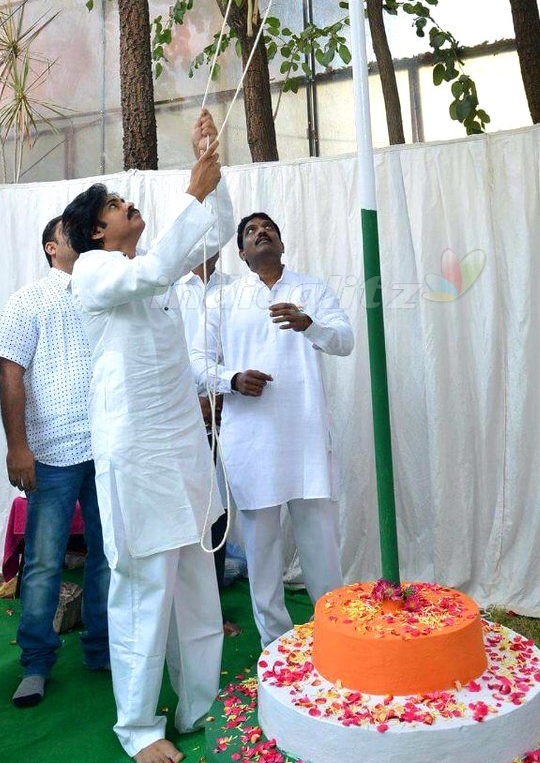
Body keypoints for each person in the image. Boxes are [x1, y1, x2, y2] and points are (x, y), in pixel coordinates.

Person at [62, 109, 234, 763]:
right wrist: (192, 188)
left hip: (183, 457)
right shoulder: (96, 274)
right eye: (115, 203)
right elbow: (159, 265)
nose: (129, 204)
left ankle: (199, 707)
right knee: (143, 594)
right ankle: (138, 730)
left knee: (196, 590)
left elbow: (206, 236)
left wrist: (212, 176)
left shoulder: (153, 278)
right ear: (95, 230)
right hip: (136, 462)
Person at [191, 211, 353, 647]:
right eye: (250, 231)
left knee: (321, 549)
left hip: (306, 439)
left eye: (269, 228)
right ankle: (276, 648)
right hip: (251, 441)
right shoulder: (221, 299)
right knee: (262, 555)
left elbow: (345, 340)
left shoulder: (311, 289)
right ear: (242, 254)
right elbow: (196, 362)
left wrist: (309, 324)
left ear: (281, 243)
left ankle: (336, 640)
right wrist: (232, 380)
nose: (261, 233)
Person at [0, 215, 110, 708]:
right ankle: (37, 662)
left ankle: (101, 649)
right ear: (50, 247)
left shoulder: (105, 293)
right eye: (70, 233)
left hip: (107, 448)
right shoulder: (27, 300)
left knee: (108, 556)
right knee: (42, 563)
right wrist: (18, 447)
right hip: (52, 453)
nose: (82, 238)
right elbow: (10, 375)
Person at [174, 253, 240, 638]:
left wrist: (222, 393)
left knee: (215, 513)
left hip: (226, 408)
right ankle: (177, 610)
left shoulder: (235, 289)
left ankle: (212, 611)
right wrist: (190, 402)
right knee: (180, 510)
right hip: (173, 412)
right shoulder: (166, 288)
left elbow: (242, 351)